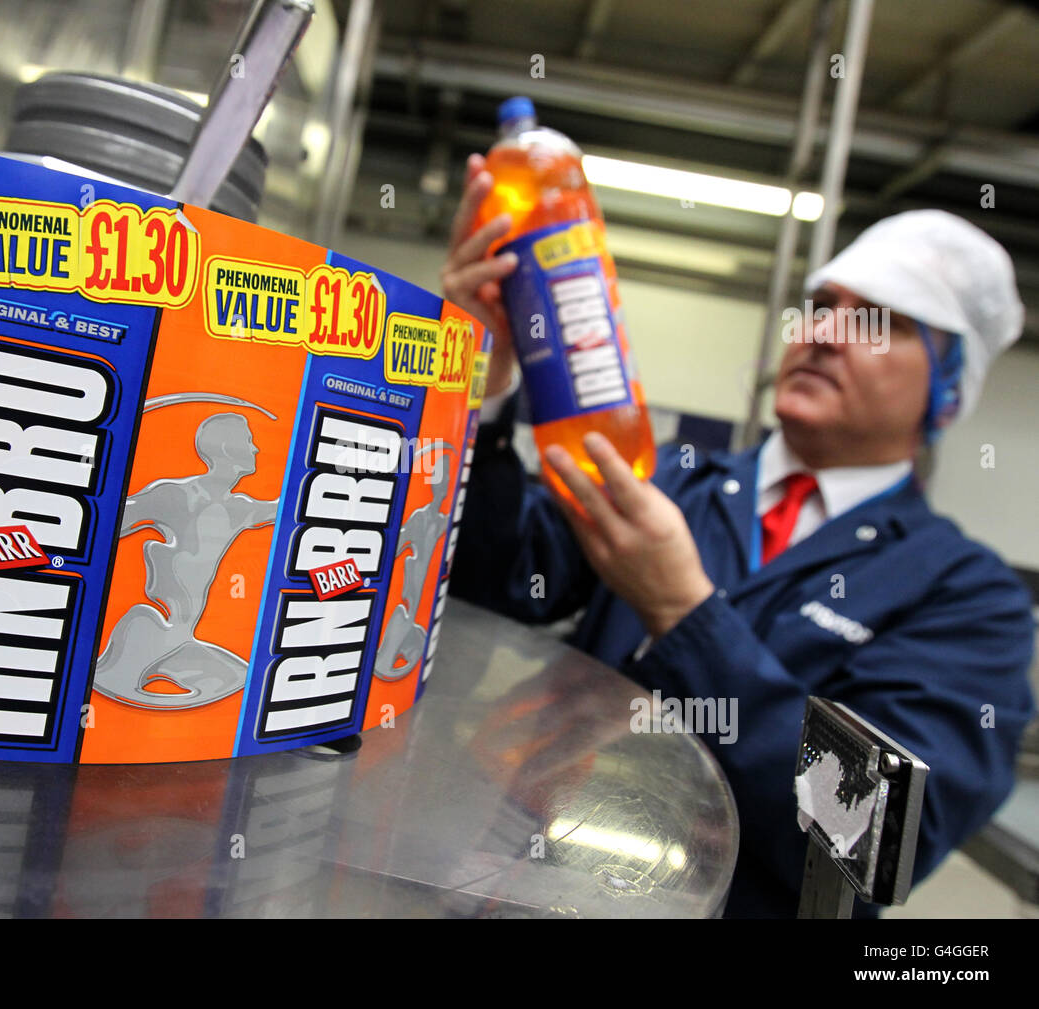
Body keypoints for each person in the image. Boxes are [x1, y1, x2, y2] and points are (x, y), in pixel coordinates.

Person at [443, 152, 1036, 917]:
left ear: (948, 393)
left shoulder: (966, 598)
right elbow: (489, 571)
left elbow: (876, 844)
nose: (826, 332)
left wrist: (687, 616)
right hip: (526, 892)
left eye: (880, 321)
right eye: (821, 305)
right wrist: (479, 383)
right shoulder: (668, 483)